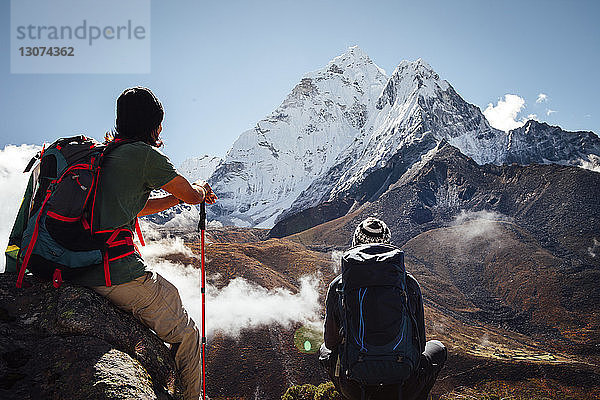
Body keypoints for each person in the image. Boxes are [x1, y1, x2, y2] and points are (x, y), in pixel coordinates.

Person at [69, 87, 217, 400]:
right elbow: (192, 195)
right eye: (159, 124)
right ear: (152, 125)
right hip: (115, 272)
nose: (161, 130)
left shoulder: (109, 154)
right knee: (188, 334)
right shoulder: (144, 155)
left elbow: (137, 207)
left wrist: (176, 196)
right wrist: (200, 190)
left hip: (82, 266)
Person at [319, 217, 447, 400]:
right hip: (404, 381)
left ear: (355, 244)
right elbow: (419, 345)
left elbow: (330, 342)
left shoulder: (339, 286)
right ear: (388, 245)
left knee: (323, 351)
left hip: (355, 384)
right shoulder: (409, 283)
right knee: (438, 349)